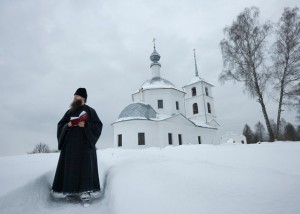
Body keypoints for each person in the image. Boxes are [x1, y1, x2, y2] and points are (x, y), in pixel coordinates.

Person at [51, 88, 103, 202]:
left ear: (83, 98)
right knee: (71, 167)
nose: (75, 98)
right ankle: (70, 190)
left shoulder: (90, 111)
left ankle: (85, 191)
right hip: (70, 147)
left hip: (85, 146)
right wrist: (68, 125)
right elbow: (61, 125)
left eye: (77, 96)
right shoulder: (69, 112)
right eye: (74, 96)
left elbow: (98, 126)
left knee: (85, 167)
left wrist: (85, 124)